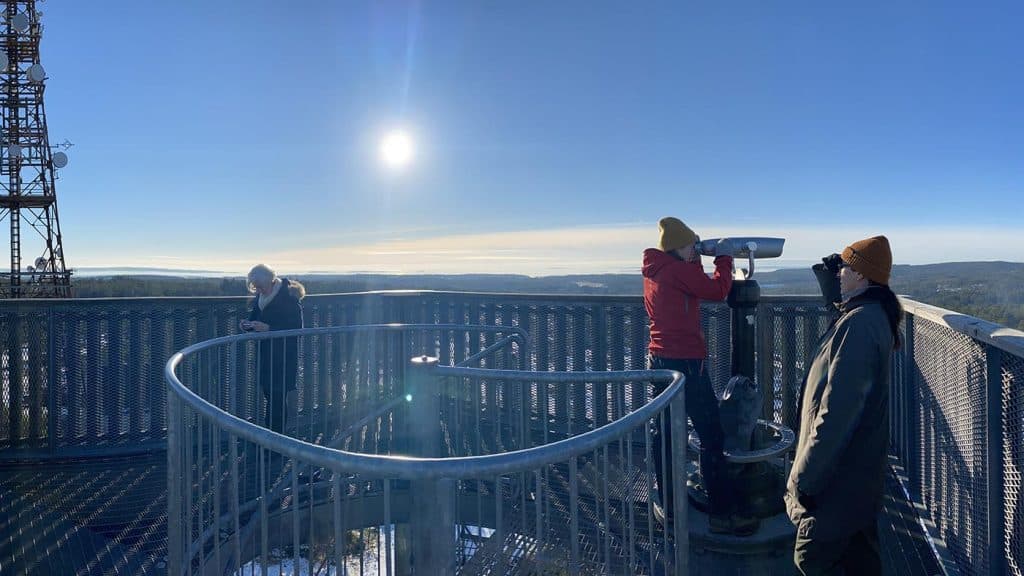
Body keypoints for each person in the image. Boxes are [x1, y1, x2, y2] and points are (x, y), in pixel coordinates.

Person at [785, 235, 903, 575]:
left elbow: (838, 412)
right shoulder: (865, 315)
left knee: (809, 560)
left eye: (846, 268)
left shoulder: (861, 326)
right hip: (856, 482)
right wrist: (830, 274)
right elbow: (839, 305)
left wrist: (805, 480)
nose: (840, 273)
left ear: (863, 277)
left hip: (838, 483)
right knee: (859, 561)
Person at [642, 216, 754, 534]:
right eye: (692, 244)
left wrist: (694, 257)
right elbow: (717, 290)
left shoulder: (655, 269)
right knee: (711, 435)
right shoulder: (678, 270)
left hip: (659, 360)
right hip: (687, 363)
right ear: (678, 247)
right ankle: (722, 514)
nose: (695, 249)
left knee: (664, 433)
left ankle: (670, 504)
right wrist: (723, 256)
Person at [240, 264, 306, 434]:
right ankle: (273, 437)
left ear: (271, 280)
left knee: (277, 398)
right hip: (266, 356)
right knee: (271, 396)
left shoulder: (289, 298)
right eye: (254, 286)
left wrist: (269, 328)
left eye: (260, 286)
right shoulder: (261, 297)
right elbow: (255, 319)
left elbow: (297, 328)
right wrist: (247, 325)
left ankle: (275, 439)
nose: (257, 289)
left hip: (283, 357)